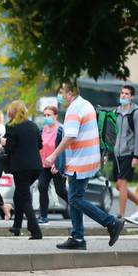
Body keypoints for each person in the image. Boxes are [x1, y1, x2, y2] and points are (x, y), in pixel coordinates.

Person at [45, 82, 125, 250]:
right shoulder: (86, 104)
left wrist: (54, 155)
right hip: (87, 159)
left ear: (69, 94)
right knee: (75, 198)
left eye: (61, 92)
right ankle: (78, 237)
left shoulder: (74, 109)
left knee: (75, 199)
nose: (60, 96)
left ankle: (110, 222)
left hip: (80, 161)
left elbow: (70, 137)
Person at [1, 100, 43, 240]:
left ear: (12, 111)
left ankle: (35, 230)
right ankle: (17, 226)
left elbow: (10, 148)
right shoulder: (33, 125)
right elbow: (40, 145)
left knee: (24, 197)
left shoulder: (11, 126)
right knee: (19, 194)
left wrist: (4, 143)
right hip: (36, 167)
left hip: (21, 168)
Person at [37, 105, 68, 225]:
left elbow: (64, 148)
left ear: (55, 116)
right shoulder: (42, 130)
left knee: (60, 191)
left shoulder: (61, 129)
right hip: (44, 165)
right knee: (42, 187)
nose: (46, 117)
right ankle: (43, 217)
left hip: (56, 166)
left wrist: (58, 164)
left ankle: (78, 207)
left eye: (49, 115)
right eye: (44, 115)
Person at [113, 85, 138, 223]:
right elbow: (111, 134)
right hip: (117, 153)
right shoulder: (116, 112)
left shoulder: (135, 113)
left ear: (132, 96)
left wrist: (136, 156)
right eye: (122, 93)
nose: (123, 96)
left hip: (129, 153)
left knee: (122, 184)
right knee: (118, 185)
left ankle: (120, 216)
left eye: (127, 94)